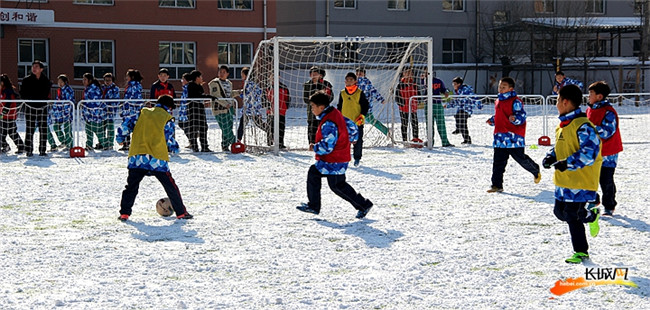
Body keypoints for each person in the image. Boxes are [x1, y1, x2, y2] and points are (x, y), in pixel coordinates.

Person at [542, 84, 602, 264]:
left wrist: (567, 163)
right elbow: (561, 147)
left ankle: (581, 251)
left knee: (571, 215)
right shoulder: (562, 126)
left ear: (565, 102)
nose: (556, 104)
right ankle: (591, 214)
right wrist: (550, 156)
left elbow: (590, 153)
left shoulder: (583, 126)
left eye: (557, 100)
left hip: (581, 181)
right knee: (560, 212)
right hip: (564, 180)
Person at [296, 92, 374, 219]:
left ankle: (363, 205)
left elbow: (328, 146)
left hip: (334, 159)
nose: (312, 109)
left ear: (321, 107)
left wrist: (314, 147)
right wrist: (353, 138)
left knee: (337, 185)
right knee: (322, 177)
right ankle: (314, 206)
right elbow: (352, 125)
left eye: (313, 106)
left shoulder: (328, 122)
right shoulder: (335, 113)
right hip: (338, 157)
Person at [116, 95, 193, 221]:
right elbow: (168, 138)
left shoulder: (142, 112)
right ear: (169, 107)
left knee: (131, 186)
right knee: (170, 186)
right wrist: (175, 148)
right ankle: (181, 213)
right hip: (157, 158)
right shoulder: (166, 118)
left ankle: (124, 213)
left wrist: (120, 138)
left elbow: (126, 125)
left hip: (137, 157)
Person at [486, 77, 541, 193]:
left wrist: (515, 119)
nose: (500, 89)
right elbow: (500, 116)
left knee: (521, 159)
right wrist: (493, 120)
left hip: (514, 137)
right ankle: (496, 185)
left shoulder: (516, 101)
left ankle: (535, 169)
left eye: (503, 87)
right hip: (500, 137)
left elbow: (522, 116)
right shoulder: (498, 101)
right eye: (499, 86)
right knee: (498, 162)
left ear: (510, 89)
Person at [586, 81, 622, 216]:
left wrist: (591, 129)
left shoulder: (609, 112)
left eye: (591, 94)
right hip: (594, 150)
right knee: (589, 176)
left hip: (608, 151)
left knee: (606, 178)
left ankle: (609, 205)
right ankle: (593, 200)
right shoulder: (590, 109)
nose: (588, 96)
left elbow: (608, 131)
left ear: (600, 96)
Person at [20, 60, 51, 156]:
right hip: (30, 107)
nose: (34, 68)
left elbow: (46, 93)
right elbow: (23, 93)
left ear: (41, 69)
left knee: (43, 128)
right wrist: (29, 99)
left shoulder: (45, 80)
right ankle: (29, 150)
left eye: (36, 67)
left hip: (42, 107)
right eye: (33, 66)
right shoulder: (26, 80)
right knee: (30, 128)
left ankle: (42, 150)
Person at [337, 72, 369, 167]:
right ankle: (343, 157)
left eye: (351, 80)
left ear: (355, 81)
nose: (349, 82)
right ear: (344, 81)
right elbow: (339, 106)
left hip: (357, 121)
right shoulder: (342, 93)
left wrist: (362, 116)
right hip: (345, 122)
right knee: (344, 140)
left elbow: (365, 106)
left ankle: (357, 158)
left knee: (358, 140)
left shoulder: (360, 93)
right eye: (347, 80)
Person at [209, 65, 240, 151]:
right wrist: (225, 104)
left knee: (228, 127)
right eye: (220, 72)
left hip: (229, 109)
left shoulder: (229, 83)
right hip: (219, 109)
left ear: (227, 74)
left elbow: (229, 94)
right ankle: (235, 142)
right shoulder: (214, 83)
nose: (221, 74)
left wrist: (238, 92)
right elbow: (216, 95)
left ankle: (225, 145)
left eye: (224, 72)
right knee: (225, 128)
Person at [303, 66, 333, 147]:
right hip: (312, 111)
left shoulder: (326, 84)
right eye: (312, 74)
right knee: (312, 128)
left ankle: (323, 143)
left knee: (323, 127)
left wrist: (321, 102)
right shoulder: (307, 85)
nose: (313, 75)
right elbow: (305, 99)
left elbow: (330, 97)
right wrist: (314, 102)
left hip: (323, 112)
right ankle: (312, 144)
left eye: (316, 74)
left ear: (321, 75)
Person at [187, 70, 216, 152]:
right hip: (193, 109)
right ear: (197, 78)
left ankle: (204, 146)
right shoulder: (191, 86)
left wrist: (207, 97)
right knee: (194, 128)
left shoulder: (200, 86)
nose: (202, 78)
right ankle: (194, 146)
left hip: (200, 108)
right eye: (200, 77)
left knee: (203, 127)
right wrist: (208, 96)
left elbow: (201, 96)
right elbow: (197, 96)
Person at [422, 71, 453, 147]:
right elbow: (423, 87)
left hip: (438, 104)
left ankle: (445, 142)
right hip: (428, 104)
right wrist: (423, 78)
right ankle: (430, 142)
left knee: (441, 124)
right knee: (429, 125)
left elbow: (443, 89)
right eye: (425, 72)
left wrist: (446, 92)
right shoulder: (424, 80)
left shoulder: (438, 81)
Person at [236, 67, 266, 143]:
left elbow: (247, 95)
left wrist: (241, 94)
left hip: (249, 109)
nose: (241, 77)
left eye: (242, 75)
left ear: (246, 75)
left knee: (242, 125)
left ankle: (238, 140)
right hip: (254, 108)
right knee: (258, 123)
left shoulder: (248, 84)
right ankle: (271, 132)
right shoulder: (255, 84)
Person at [448, 77, 482, 144]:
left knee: (462, 122)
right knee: (459, 119)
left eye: (454, 84)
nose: (453, 85)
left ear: (459, 84)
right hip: (461, 108)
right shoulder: (457, 91)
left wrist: (479, 105)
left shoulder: (465, 90)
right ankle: (461, 131)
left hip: (466, 109)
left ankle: (466, 138)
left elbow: (474, 97)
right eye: (453, 84)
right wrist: (449, 105)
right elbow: (456, 101)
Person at [355, 68, 389, 136]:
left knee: (365, 121)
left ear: (364, 74)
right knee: (363, 121)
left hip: (365, 106)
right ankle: (386, 131)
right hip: (357, 106)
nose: (359, 75)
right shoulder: (354, 83)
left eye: (360, 73)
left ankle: (386, 131)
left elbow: (374, 91)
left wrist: (381, 99)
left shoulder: (366, 83)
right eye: (357, 73)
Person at [81, 73, 108, 151]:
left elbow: (94, 102)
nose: (83, 81)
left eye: (85, 79)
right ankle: (89, 145)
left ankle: (105, 144)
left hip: (95, 114)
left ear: (90, 80)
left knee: (97, 130)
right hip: (88, 113)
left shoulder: (94, 88)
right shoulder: (88, 88)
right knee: (88, 130)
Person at [47, 74, 74, 151]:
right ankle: (64, 141)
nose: (59, 84)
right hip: (59, 113)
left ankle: (70, 144)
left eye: (61, 82)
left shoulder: (68, 90)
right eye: (58, 82)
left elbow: (69, 101)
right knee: (56, 127)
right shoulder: (60, 90)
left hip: (66, 113)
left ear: (65, 82)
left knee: (67, 129)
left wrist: (65, 110)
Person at [120, 69, 144, 151]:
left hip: (133, 111)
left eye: (128, 75)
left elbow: (135, 99)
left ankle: (138, 144)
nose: (126, 77)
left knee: (134, 127)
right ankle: (126, 143)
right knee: (126, 127)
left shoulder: (135, 86)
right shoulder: (130, 86)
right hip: (128, 111)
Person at [0, 74, 25, 154]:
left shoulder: (8, 91)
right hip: (3, 115)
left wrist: (3, 112)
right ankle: (5, 146)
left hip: (9, 115)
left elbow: (8, 103)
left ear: (3, 82)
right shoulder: (2, 90)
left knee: (11, 132)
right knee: (3, 132)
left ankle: (21, 147)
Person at [264, 74, 290, 149]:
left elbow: (287, 98)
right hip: (271, 112)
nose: (273, 78)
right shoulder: (268, 88)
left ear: (279, 77)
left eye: (275, 76)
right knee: (270, 128)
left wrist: (285, 106)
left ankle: (280, 143)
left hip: (281, 111)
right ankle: (269, 143)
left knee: (281, 127)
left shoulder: (284, 87)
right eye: (271, 76)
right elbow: (265, 98)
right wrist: (269, 107)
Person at [395, 68, 420, 142]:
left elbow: (418, 94)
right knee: (404, 124)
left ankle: (415, 138)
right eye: (407, 73)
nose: (409, 75)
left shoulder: (414, 84)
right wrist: (401, 104)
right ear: (403, 74)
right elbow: (397, 96)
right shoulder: (400, 85)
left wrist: (418, 101)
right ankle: (405, 140)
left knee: (415, 123)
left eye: (410, 73)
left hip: (413, 108)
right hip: (403, 108)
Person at [102, 73, 121, 150]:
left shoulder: (115, 89)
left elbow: (116, 100)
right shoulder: (102, 88)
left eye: (109, 80)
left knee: (110, 128)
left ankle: (110, 143)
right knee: (101, 127)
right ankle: (103, 142)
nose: (107, 82)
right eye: (106, 80)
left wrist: (111, 108)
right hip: (102, 111)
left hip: (110, 111)